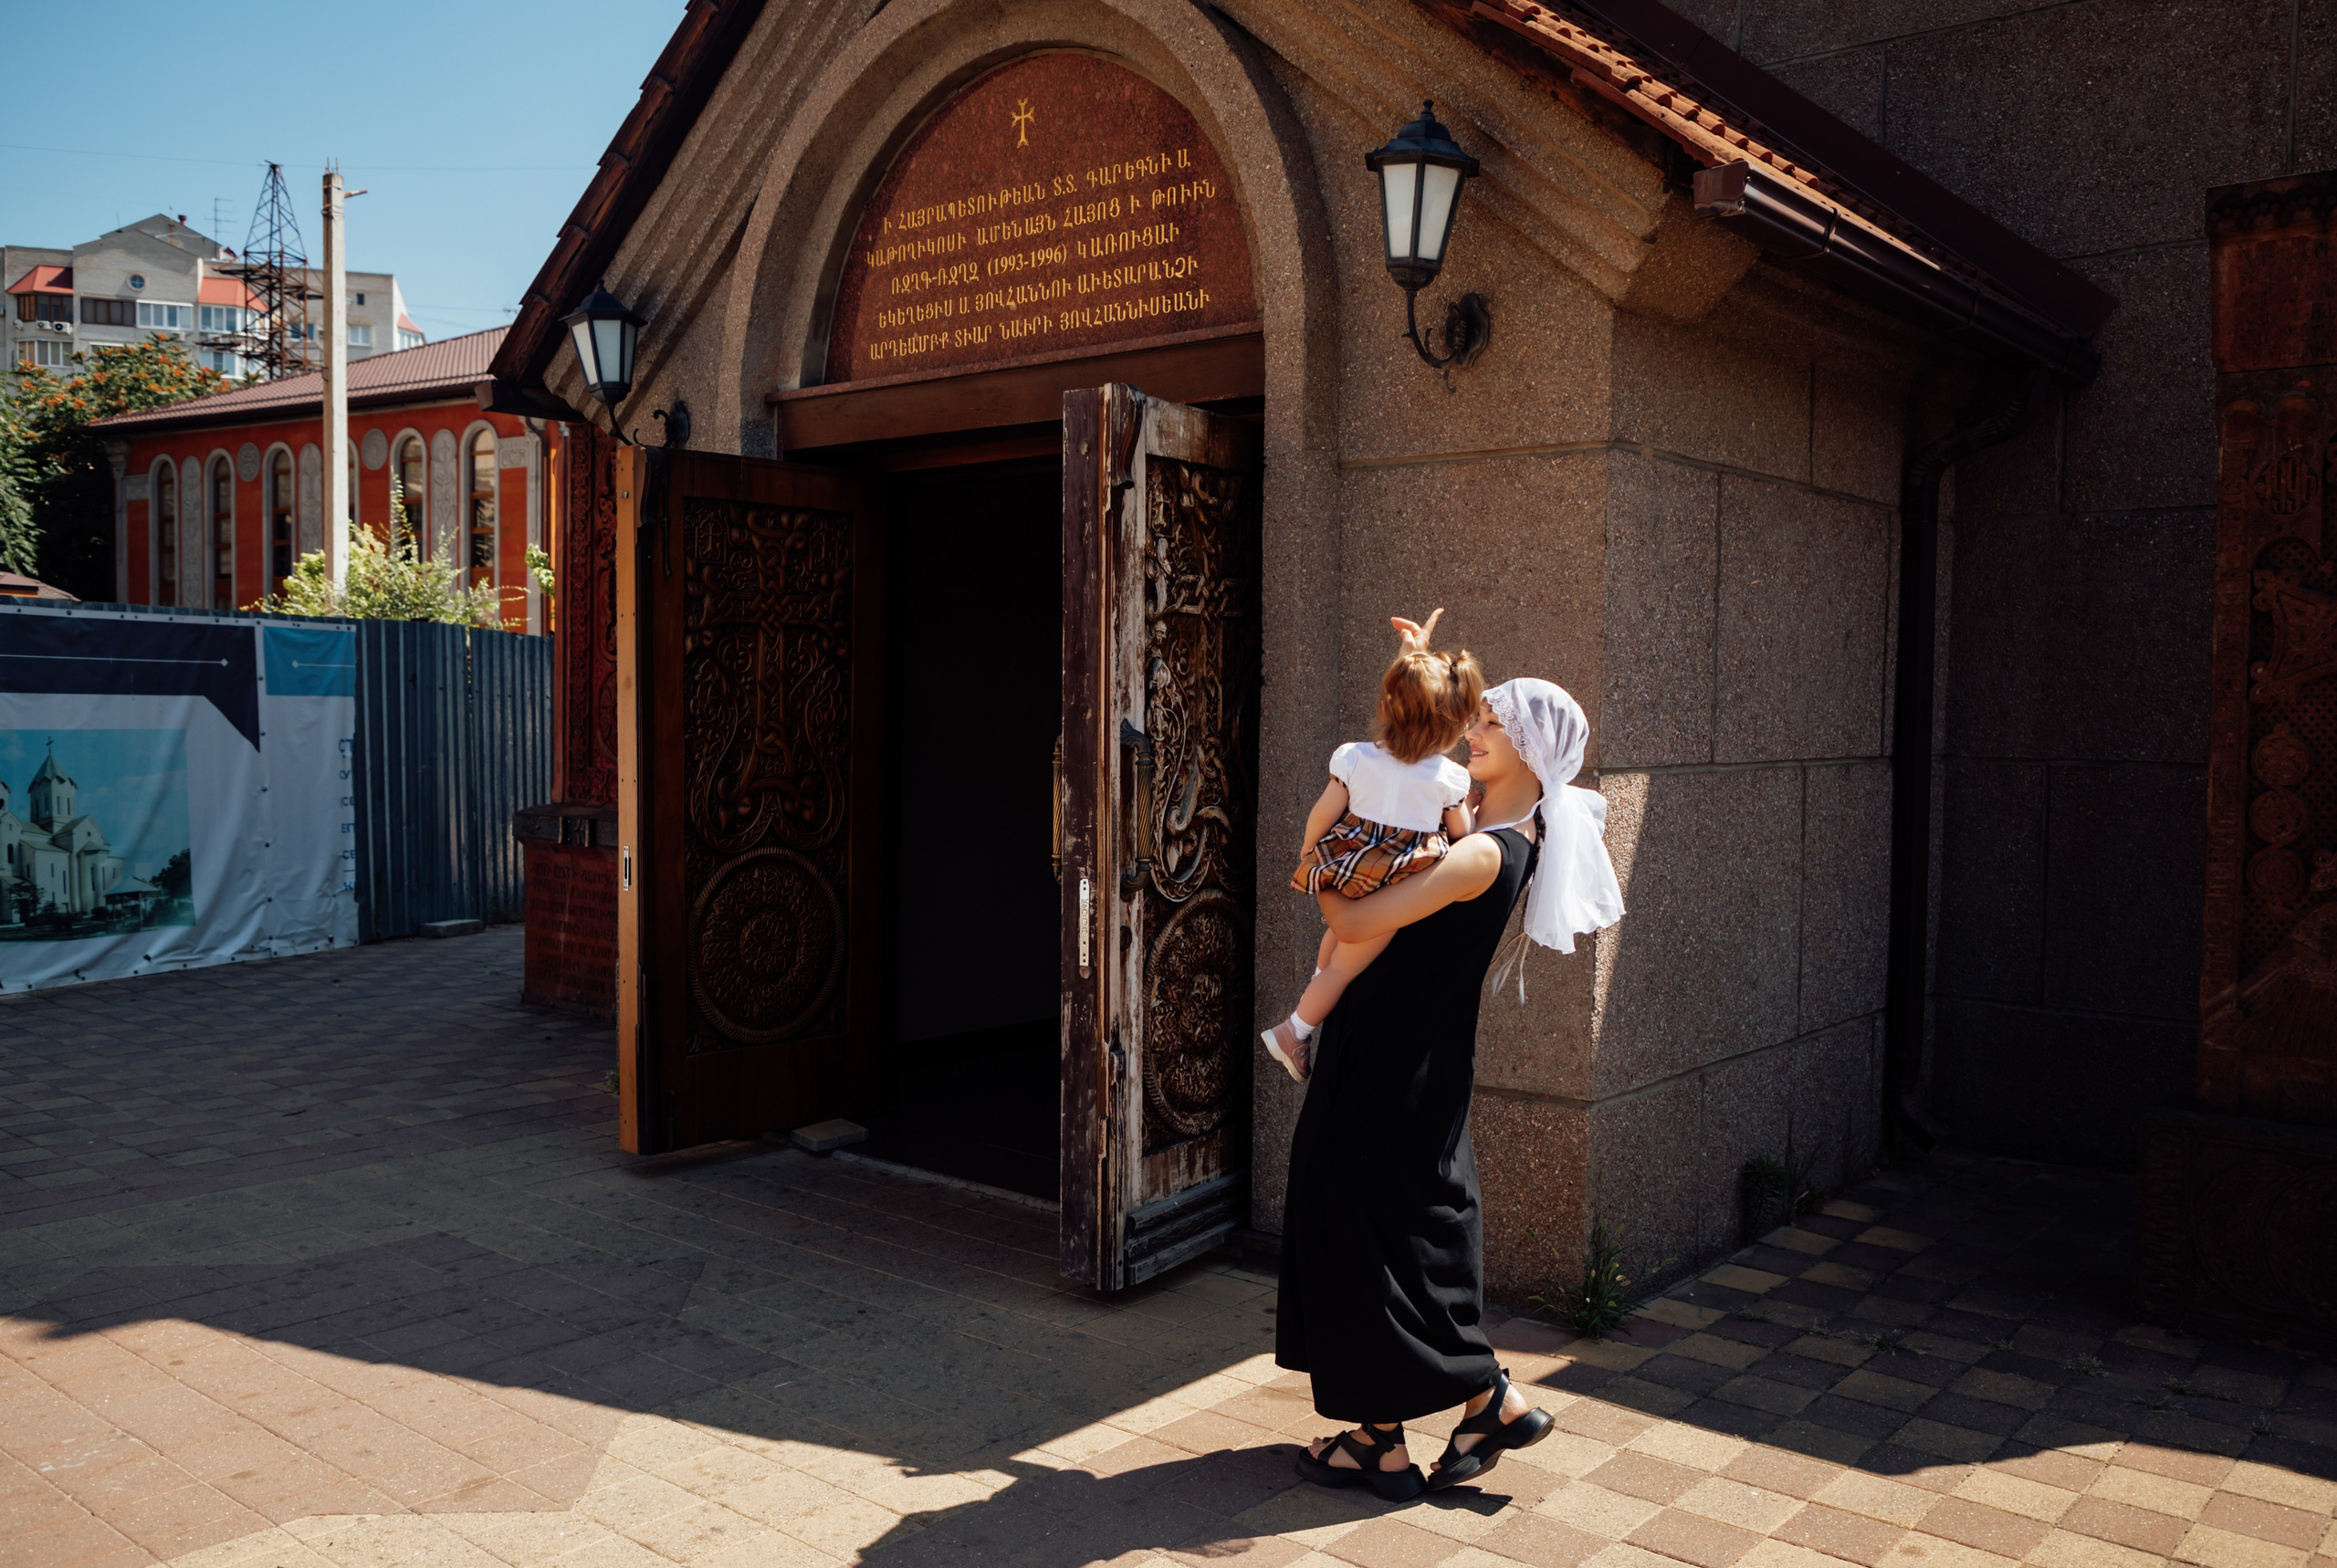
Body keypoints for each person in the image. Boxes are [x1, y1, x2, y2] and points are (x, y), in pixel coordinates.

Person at [1278, 643, 1626, 1500]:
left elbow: (1354, 924)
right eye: (1479, 715)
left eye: (1495, 723)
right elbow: (1419, 741)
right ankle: (1427, 1420)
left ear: (1531, 751)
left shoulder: (1480, 854)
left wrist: (1319, 869)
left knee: (1354, 1218)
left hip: (1391, 1060)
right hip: (1411, 1054)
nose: (1475, 729)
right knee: (1397, 1229)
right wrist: (1414, 665)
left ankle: (1420, 1422)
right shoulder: (1497, 835)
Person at [1262, 622, 1483, 1082]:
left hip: (1350, 866)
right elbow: (1463, 833)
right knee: (1344, 971)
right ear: (1452, 725)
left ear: (1387, 706)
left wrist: (1310, 849)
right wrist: (1473, 811)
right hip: (1393, 883)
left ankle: (1317, 987)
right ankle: (1295, 1030)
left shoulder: (1356, 757)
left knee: (1337, 944)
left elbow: (1324, 811)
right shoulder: (1448, 778)